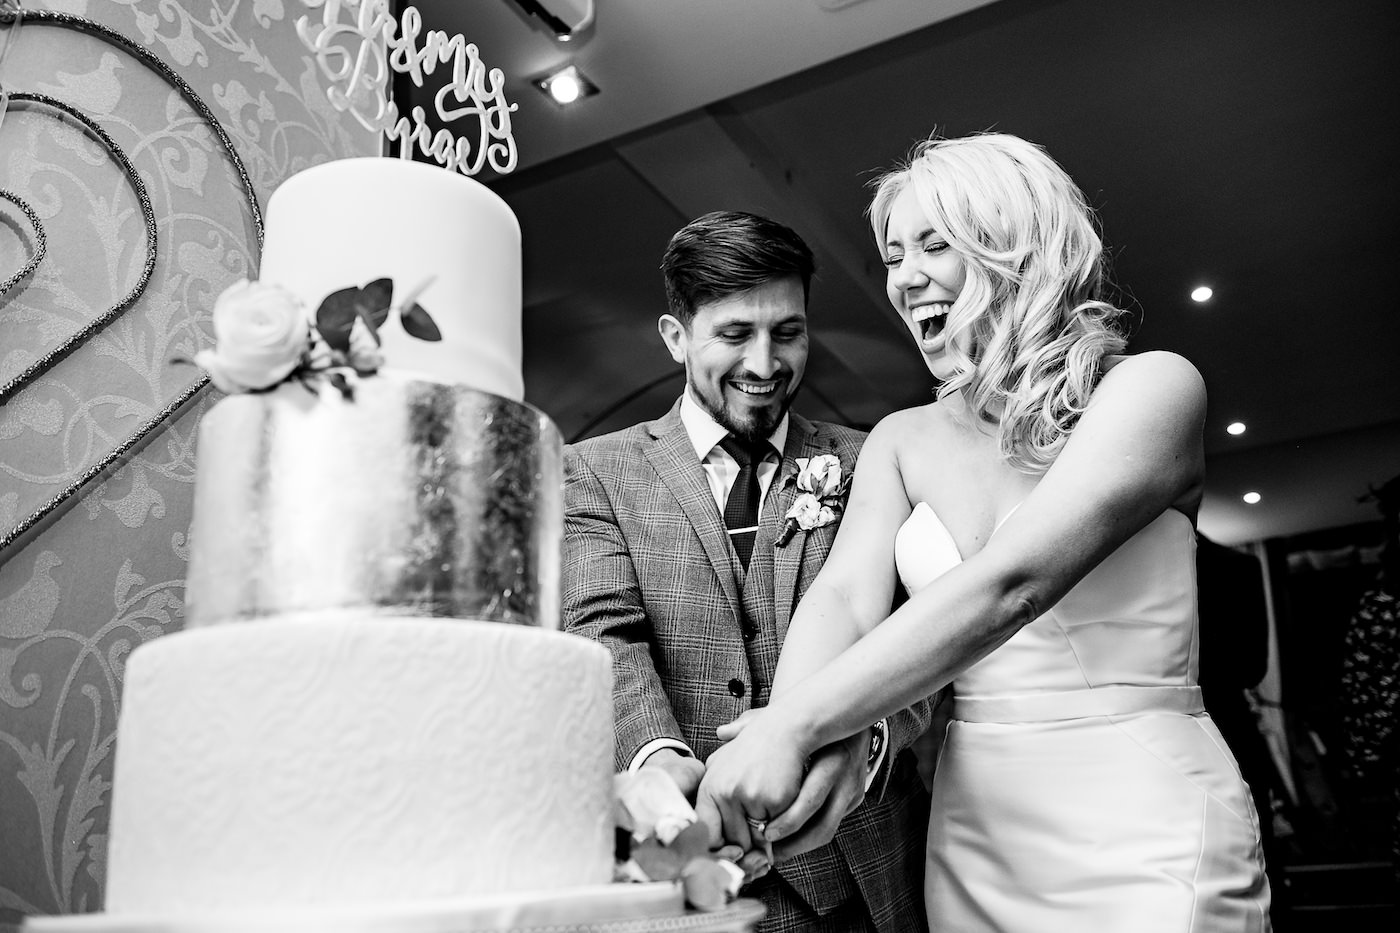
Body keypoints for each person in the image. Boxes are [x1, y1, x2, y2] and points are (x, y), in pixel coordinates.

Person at [696, 135, 1274, 932]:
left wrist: (794, 726)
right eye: (893, 254)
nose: (903, 277)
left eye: (935, 244)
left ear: (1019, 248)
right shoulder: (898, 439)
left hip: (1147, 815)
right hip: (975, 831)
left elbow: (1014, 584)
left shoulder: (1153, 389)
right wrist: (803, 749)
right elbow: (842, 600)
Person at [563, 210, 936, 933]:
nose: (765, 365)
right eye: (734, 335)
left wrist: (869, 739)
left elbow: (928, 638)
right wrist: (658, 758)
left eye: (787, 333)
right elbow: (601, 632)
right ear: (677, 337)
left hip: (868, 876)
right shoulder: (593, 471)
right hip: (686, 880)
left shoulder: (875, 459)